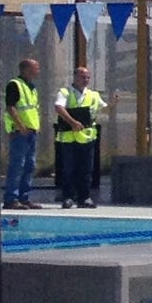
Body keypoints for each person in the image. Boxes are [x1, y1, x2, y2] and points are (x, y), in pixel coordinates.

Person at [53, 62, 107, 208]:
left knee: (86, 170)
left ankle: (84, 198)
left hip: (87, 138)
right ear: (75, 77)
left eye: (88, 77)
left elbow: (103, 109)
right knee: (68, 169)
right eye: (83, 77)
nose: (86, 80)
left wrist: (113, 103)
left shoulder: (93, 94)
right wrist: (73, 122)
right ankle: (68, 197)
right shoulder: (65, 92)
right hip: (69, 138)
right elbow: (59, 108)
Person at [2, 55, 43, 210]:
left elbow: (32, 109)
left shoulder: (31, 87)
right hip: (20, 132)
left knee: (29, 165)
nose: (38, 70)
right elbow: (11, 107)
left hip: (31, 131)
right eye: (35, 67)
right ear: (26, 69)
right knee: (17, 165)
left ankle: (24, 197)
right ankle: (11, 198)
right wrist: (20, 126)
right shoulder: (15, 85)